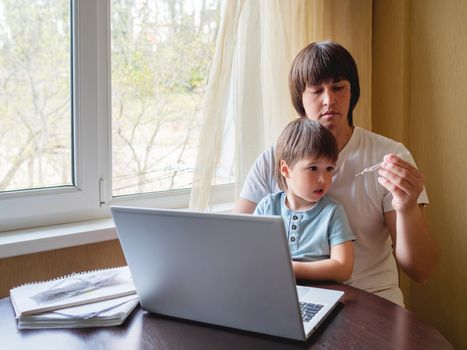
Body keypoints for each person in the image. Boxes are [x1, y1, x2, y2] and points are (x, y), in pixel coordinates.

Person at [234, 40, 438, 306]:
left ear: (352, 92)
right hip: (291, 300)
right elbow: (236, 245)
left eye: (338, 88)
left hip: (372, 301)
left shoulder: (387, 156)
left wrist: (407, 207)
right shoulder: (273, 161)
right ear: (300, 99)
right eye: (317, 90)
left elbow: (420, 270)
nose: (329, 100)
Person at [254, 118, 355, 282]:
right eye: (313, 168)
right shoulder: (267, 207)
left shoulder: (332, 212)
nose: (323, 179)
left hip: (323, 292)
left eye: (329, 169)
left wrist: (289, 269)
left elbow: (343, 268)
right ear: (286, 170)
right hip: (275, 289)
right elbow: (252, 256)